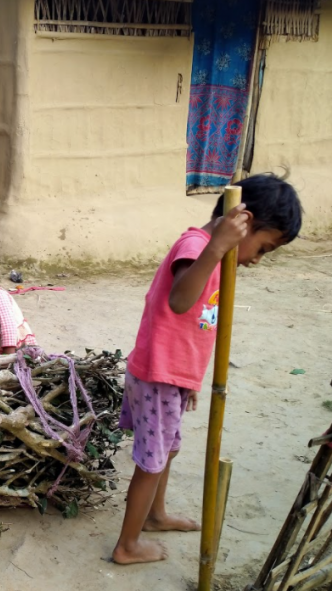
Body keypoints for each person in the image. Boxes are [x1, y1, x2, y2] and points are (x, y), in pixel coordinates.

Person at [112, 173, 303, 565]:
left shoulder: (213, 253)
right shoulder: (198, 245)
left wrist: (190, 380)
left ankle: (156, 515)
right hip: (156, 375)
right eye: (263, 248)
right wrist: (217, 247)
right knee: (151, 462)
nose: (256, 260)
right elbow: (181, 301)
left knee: (167, 452)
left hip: (171, 376)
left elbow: (192, 328)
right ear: (242, 222)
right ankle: (127, 546)